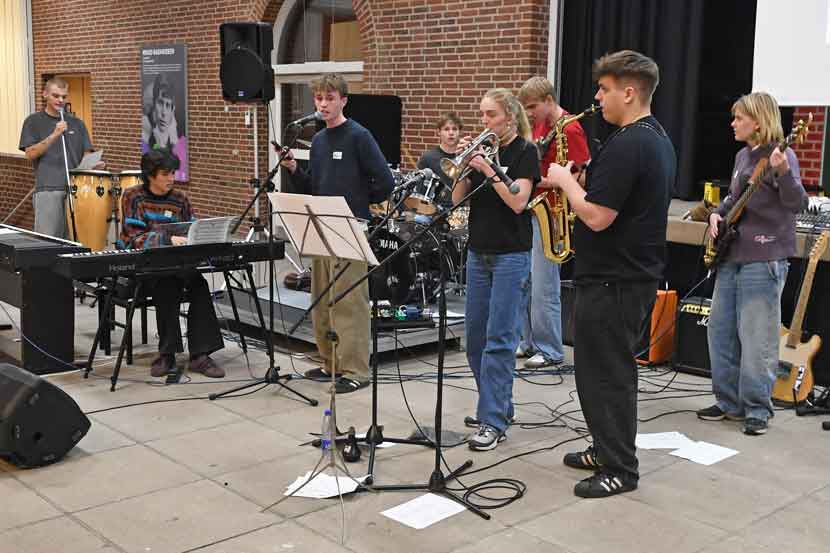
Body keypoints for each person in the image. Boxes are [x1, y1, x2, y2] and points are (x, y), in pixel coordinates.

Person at [547, 50, 675, 497]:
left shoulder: (631, 143)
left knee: (608, 375)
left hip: (614, 280)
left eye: (604, 89)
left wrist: (565, 181)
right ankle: (605, 446)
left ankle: (621, 467)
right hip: (618, 276)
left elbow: (598, 217)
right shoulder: (651, 138)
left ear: (629, 91)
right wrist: (583, 179)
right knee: (597, 371)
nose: (597, 97)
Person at [697, 92, 807, 436]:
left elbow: (797, 203)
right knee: (721, 331)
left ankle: (758, 408)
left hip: (765, 259)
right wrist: (717, 215)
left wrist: (784, 172)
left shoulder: (782, 154)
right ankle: (729, 402)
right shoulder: (743, 156)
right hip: (732, 256)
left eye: (739, 118)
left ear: (757, 121)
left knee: (757, 336)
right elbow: (733, 197)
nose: (732, 123)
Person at [280, 73, 395, 394]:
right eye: (318, 98)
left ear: (343, 100)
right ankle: (330, 363)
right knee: (321, 297)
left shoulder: (359, 136)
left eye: (329, 98)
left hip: (350, 226)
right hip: (320, 225)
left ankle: (356, 369)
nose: (323, 104)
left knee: (349, 302)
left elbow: (385, 182)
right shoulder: (317, 141)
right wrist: (293, 170)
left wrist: (359, 204)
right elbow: (313, 186)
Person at [452, 88, 539, 450]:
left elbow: (518, 202)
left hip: (510, 255)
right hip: (479, 252)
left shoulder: (525, 152)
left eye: (490, 115)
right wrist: (464, 166)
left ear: (509, 116)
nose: (484, 122)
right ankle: (498, 405)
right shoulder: (485, 153)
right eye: (482, 114)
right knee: (475, 340)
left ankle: (493, 420)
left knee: (500, 341)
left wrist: (489, 169)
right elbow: (457, 200)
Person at [120, 148, 225, 379]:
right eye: (166, 174)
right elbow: (133, 238)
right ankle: (167, 353)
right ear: (150, 175)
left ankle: (200, 355)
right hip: (146, 268)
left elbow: (193, 229)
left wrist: (204, 237)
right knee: (166, 285)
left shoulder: (180, 199)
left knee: (199, 285)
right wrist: (167, 239)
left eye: (173, 173)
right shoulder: (133, 197)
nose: (171, 179)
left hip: (179, 265)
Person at [516, 76, 590, 369]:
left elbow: (580, 176)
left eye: (533, 106)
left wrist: (540, 180)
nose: (529, 113)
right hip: (532, 207)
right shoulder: (539, 125)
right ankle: (528, 341)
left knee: (544, 284)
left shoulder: (570, 127)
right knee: (524, 281)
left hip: (551, 210)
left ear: (549, 100)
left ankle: (550, 350)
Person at [19, 77, 101, 238]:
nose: (60, 100)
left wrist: (93, 165)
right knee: (47, 241)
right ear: (45, 94)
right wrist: (54, 134)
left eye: (64, 96)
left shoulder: (78, 123)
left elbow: (87, 153)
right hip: (49, 189)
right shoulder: (33, 121)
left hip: (77, 191)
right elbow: (30, 154)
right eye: (56, 96)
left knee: (75, 241)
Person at [141, 73, 188, 181]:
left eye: (168, 105)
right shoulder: (145, 128)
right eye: (160, 103)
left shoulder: (179, 137)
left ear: (173, 109)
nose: (164, 112)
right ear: (153, 103)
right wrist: (159, 145)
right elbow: (148, 171)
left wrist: (171, 143)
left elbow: (179, 173)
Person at [417, 112, 464, 207]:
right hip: (433, 208)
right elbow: (420, 190)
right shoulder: (428, 157)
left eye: (455, 129)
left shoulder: (466, 156)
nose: (451, 133)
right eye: (446, 129)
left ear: (460, 132)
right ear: (438, 132)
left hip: (460, 208)